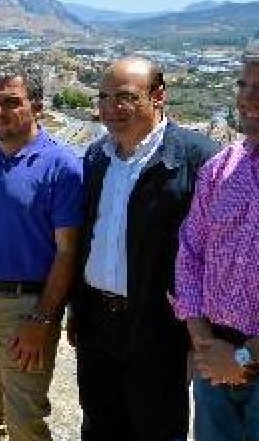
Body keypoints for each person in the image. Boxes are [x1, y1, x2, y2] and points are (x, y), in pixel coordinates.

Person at [70, 57, 217, 440]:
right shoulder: (97, 156)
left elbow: (210, 254)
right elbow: (89, 237)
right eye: (104, 97)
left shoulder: (198, 160)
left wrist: (195, 340)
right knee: (101, 429)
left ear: (158, 97)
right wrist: (80, 313)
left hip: (159, 330)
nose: (110, 108)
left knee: (156, 428)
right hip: (98, 325)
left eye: (125, 97)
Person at [0, 64, 84, 441]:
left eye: (11, 102)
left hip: (25, 307)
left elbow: (68, 251)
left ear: (38, 107)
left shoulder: (62, 166)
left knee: (24, 420)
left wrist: (42, 319)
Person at [175, 42, 259, 440]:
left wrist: (243, 356)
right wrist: (204, 342)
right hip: (214, 363)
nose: (248, 98)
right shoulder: (220, 170)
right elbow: (190, 254)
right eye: (243, 85)